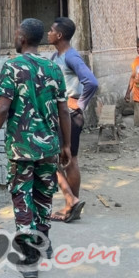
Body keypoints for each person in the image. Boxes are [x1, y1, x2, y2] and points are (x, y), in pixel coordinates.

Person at [0, 18, 71, 278]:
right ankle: (43, 239)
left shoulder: (12, 67)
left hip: (21, 147)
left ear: (22, 38)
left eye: (16, 32)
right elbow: (63, 109)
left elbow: (2, 108)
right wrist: (65, 144)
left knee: (22, 197)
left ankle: (30, 256)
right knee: (44, 194)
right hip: (49, 147)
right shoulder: (53, 68)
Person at [47, 17, 98, 224]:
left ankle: (71, 202)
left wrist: (80, 104)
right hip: (61, 114)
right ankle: (72, 202)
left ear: (59, 35)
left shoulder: (71, 57)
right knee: (64, 159)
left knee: (66, 160)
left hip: (68, 115)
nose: (48, 33)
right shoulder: (55, 56)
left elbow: (91, 82)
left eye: (51, 30)